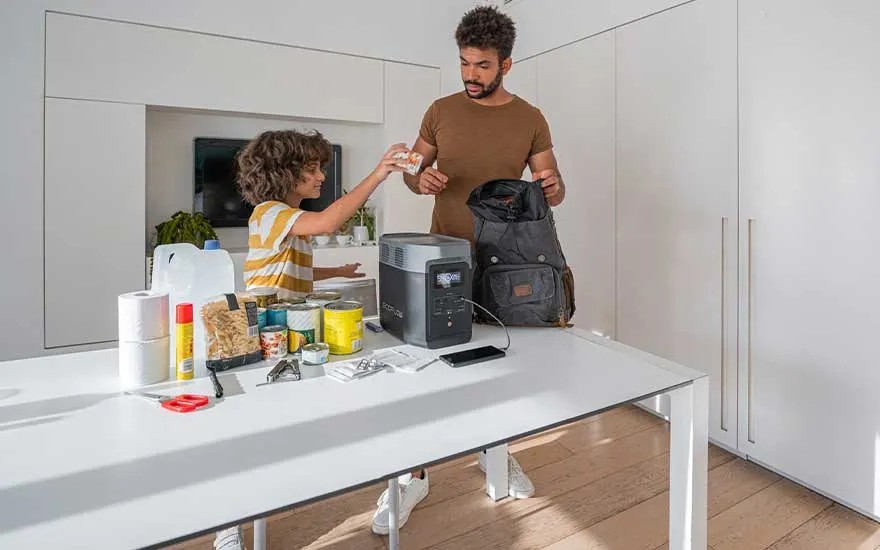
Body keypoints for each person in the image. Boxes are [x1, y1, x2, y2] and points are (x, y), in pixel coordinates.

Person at [370, 4, 566, 536]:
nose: (470, 75)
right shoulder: (440, 109)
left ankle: (495, 455)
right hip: (441, 259)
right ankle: (412, 475)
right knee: (425, 365)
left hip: (506, 260)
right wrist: (422, 178)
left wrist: (551, 185)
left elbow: (553, 185)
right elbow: (413, 169)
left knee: (498, 359)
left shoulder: (530, 117)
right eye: (464, 64)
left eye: (481, 65)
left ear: (506, 64)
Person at [212, 129, 410, 550]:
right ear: (284, 173)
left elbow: (290, 270)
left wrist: (333, 274)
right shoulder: (270, 211)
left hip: (290, 328)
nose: (321, 177)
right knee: (255, 434)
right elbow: (329, 222)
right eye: (313, 168)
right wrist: (377, 174)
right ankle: (228, 523)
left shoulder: (285, 222)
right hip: (265, 332)